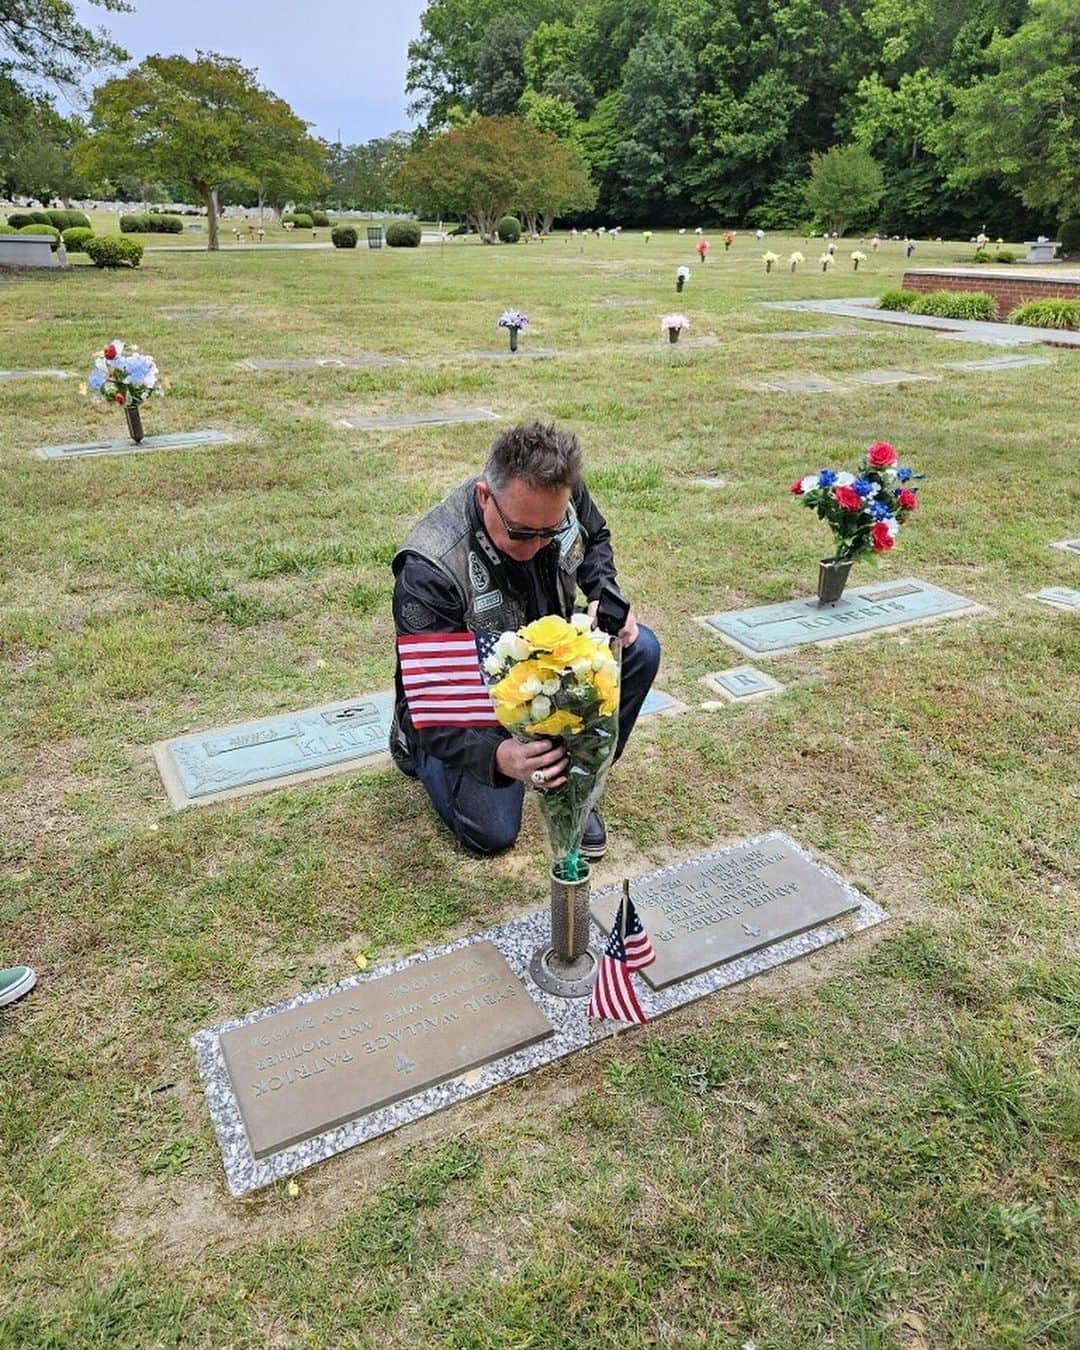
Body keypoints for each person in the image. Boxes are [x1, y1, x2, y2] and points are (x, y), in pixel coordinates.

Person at [390, 421, 661, 858]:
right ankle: (412, 748)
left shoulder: (560, 493)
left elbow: (596, 541)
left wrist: (604, 595)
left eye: (549, 532)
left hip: (545, 661)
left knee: (640, 649)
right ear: (484, 497)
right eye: (520, 533)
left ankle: (579, 781)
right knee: (493, 832)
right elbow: (437, 702)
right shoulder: (429, 569)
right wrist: (499, 757)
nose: (536, 546)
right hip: (469, 691)